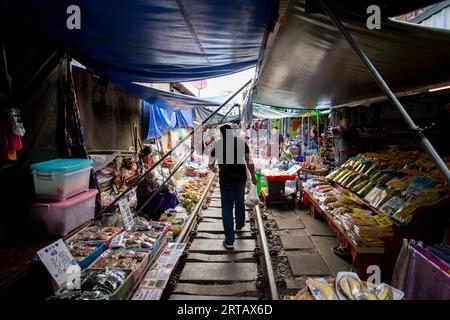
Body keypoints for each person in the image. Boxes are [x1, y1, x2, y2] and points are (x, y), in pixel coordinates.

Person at [208, 124, 257, 250]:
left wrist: (214, 169)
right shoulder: (241, 143)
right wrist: (253, 176)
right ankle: (239, 225)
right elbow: (249, 161)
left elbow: (210, 163)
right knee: (239, 200)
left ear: (221, 133)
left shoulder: (217, 144)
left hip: (226, 180)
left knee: (227, 208)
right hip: (240, 178)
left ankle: (229, 240)